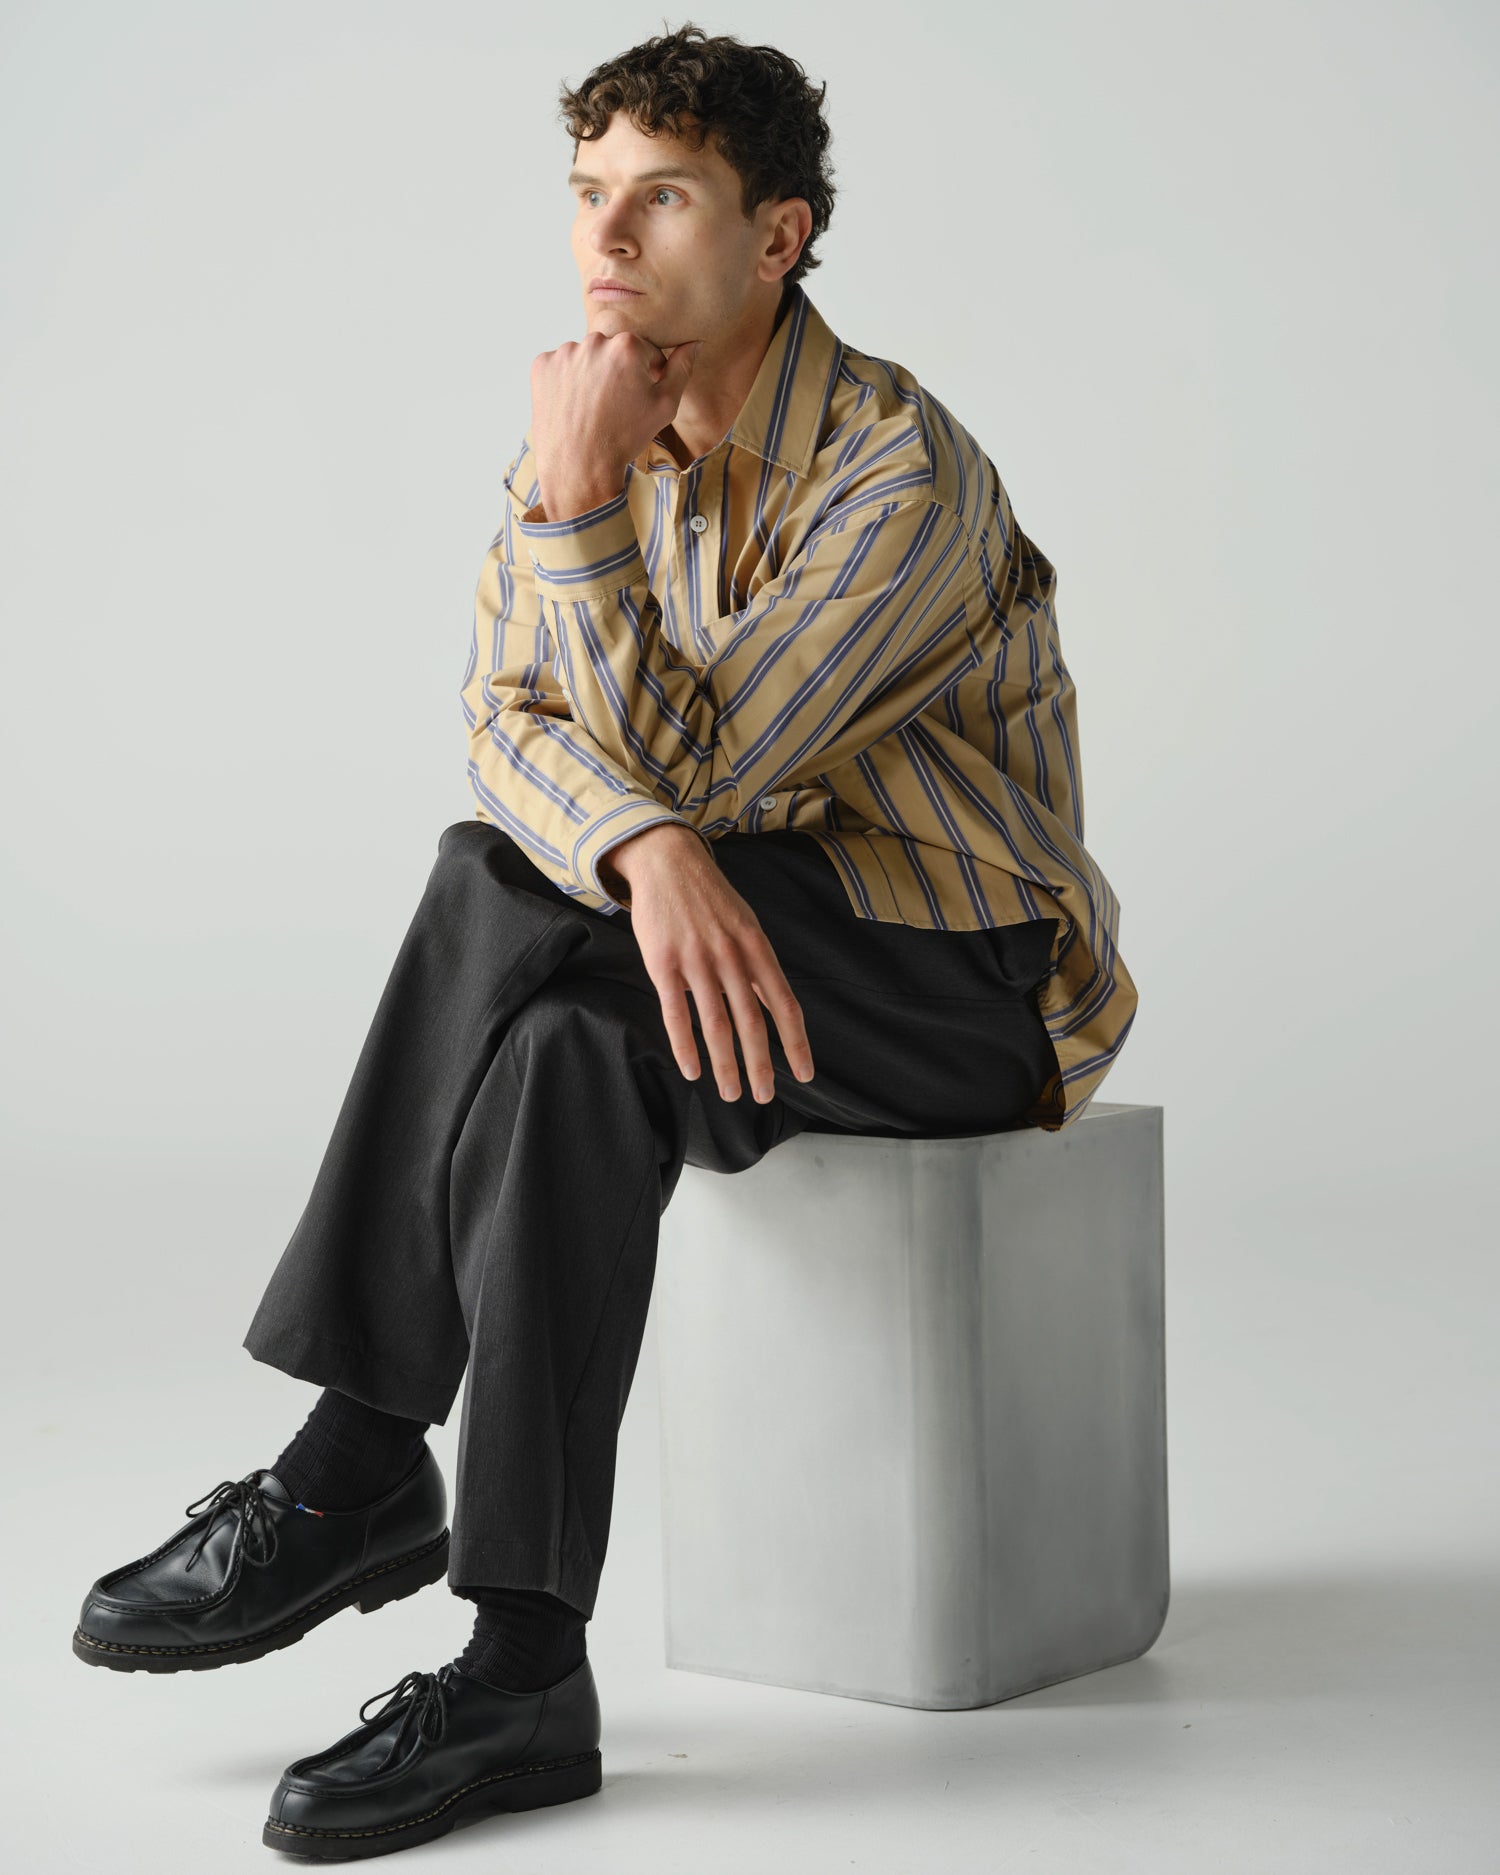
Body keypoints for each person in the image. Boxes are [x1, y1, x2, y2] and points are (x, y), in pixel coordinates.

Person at [71, 21, 1138, 1861]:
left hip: (963, 981)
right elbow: (501, 722)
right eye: (587, 194)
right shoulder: (591, 424)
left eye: (663, 198)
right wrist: (645, 845)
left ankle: (352, 1467)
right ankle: (523, 1671)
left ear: (778, 236)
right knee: (565, 1035)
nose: (606, 241)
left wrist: (579, 551)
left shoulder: (897, 471)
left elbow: (717, 760)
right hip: (723, 943)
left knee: (500, 883)